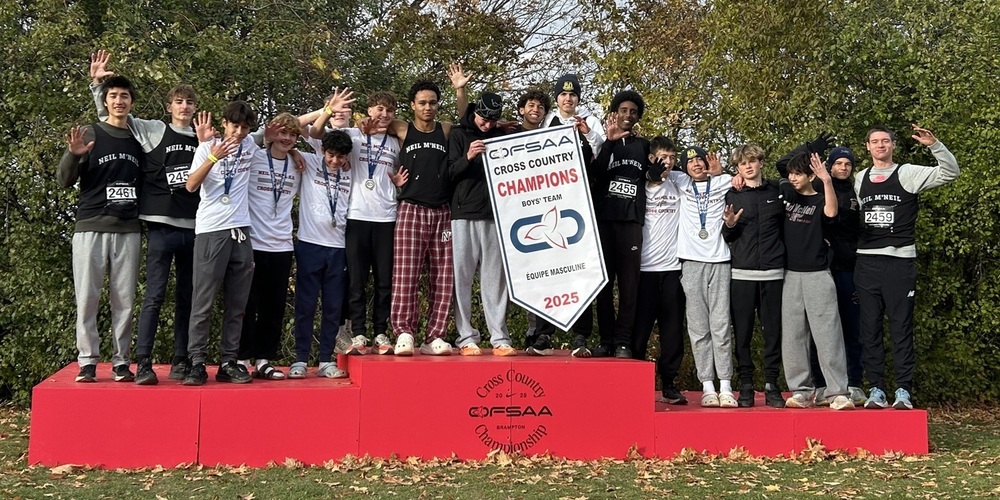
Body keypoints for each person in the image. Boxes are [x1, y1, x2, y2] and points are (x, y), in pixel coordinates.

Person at [87, 50, 207, 384]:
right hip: (160, 226)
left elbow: (242, 142)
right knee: (154, 296)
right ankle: (143, 362)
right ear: (170, 106)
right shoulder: (152, 129)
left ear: (196, 108)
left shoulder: (204, 138)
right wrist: (98, 84)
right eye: (179, 101)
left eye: (189, 102)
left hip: (194, 228)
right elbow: (113, 114)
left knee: (187, 298)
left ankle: (182, 360)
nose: (184, 107)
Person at [855, 125, 959, 409]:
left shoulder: (908, 173)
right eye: (875, 141)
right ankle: (876, 389)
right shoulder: (859, 178)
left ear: (893, 145)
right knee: (870, 329)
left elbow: (950, 172)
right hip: (866, 262)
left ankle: (903, 390)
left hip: (900, 262)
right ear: (867, 147)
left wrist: (935, 145)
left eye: (885, 141)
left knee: (901, 328)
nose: (880, 145)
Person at [58, 76, 144, 383]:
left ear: (131, 102)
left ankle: (122, 362)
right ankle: (88, 361)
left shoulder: (139, 139)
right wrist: (73, 155)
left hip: (128, 229)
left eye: (124, 96)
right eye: (113, 96)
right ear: (105, 101)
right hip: (90, 226)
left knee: (125, 301)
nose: (119, 100)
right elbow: (64, 180)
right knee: (88, 297)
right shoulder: (90, 133)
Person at [381, 66, 469, 355]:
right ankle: (404, 331)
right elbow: (371, 121)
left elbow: (465, 119)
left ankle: (435, 335)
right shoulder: (403, 128)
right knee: (406, 274)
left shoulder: (444, 129)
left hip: (442, 211)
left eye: (432, 102)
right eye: (422, 103)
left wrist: (460, 89)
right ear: (412, 105)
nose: (428, 107)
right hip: (411, 209)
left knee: (443, 276)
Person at [310, 91, 401, 356]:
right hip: (357, 216)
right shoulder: (354, 135)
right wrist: (327, 109)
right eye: (379, 109)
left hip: (387, 217)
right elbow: (317, 135)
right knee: (357, 280)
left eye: (389, 111)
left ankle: (381, 332)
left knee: (385, 280)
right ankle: (359, 332)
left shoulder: (396, 142)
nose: (384, 115)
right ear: (369, 110)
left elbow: (400, 171)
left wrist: (397, 184)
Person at [182, 101, 261, 385]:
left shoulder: (251, 145)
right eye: (234, 126)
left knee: (237, 303)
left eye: (244, 127)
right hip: (211, 231)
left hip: (240, 231)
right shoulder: (206, 147)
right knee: (202, 302)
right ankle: (196, 362)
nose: (239, 132)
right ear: (224, 123)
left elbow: (287, 126)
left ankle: (229, 361)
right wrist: (212, 158)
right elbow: (191, 185)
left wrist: (326, 110)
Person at [537, 73, 606, 357]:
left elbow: (602, 151)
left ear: (578, 99)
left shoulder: (590, 122)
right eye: (563, 95)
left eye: (573, 95)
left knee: (581, 272)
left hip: (581, 207)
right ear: (557, 98)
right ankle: (543, 334)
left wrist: (587, 133)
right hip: (551, 205)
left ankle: (581, 336)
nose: (568, 99)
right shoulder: (547, 122)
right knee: (547, 272)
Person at [780, 153, 854, 410]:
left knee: (828, 335)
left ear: (810, 176)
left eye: (798, 174)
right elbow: (778, 167)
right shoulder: (786, 197)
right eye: (790, 174)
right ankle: (801, 391)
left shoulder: (822, 197)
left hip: (818, 274)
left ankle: (837, 393)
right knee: (793, 337)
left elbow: (832, 212)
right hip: (789, 274)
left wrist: (826, 180)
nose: (792, 178)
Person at [590, 90, 657, 358]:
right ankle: (605, 340)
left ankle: (622, 342)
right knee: (604, 284)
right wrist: (608, 142)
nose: (628, 115)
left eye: (633, 112)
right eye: (623, 111)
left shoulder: (644, 145)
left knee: (629, 285)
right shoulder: (605, 143)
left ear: (638, 117)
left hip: (631, 222)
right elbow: (595, 174)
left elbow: (653, 175)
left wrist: (656, 171)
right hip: (605, 221)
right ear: (615, 113)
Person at [449, 91, 516, 356]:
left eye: (492, 121)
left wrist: (500, 130)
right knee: (461, 278)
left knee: (495, 280)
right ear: (475, 111)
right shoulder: (457, 134)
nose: (486, 125)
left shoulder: (500, 135)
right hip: (463, 215)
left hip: (494, 216)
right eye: (483, 119)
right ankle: (466, 336)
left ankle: (499, 337)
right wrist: (467, 157)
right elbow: (449, 172)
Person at [238, 113, 304, 380]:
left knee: (274, 306)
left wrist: (297, 152)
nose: (287, 138)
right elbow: (242, 141)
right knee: (246, 305)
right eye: (283, 133)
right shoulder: (254, 155)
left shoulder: (298, 164)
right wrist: (263, 136)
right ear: (272, 133)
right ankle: (240, 359)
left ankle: (264, 360)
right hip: (253, 242)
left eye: (293, 135)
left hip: (282, 244)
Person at [722, 144, 786, 408]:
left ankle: (772, 385)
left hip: (774, 273)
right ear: (737, 169)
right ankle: (745, 385)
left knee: (773, 333)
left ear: (760, 162)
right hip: (742, 274)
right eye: (741, 164)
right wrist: (730, 225)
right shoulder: (732, 194)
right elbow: (727, 237)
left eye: (751, 161)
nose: (747, 167)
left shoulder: (778, 191)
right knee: (743, 334)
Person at [290, 130, 354, 378]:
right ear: (322, 151)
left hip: (338, 248)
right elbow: (300, 126)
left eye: (340, 157)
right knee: (305, 305)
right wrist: (294, 150)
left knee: (333, 307)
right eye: (331, 155)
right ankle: (300, 359)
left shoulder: (350, 170)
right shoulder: (310, 161)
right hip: (309, 244)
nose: (335, 161)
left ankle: (326, 360)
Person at [674, 146, 735, 407]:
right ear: (684, 167)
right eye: (690, 162)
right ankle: (707, 385)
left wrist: (724, 172)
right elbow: (656, 170)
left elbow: (746, 176)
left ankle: (726, 385)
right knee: (698, 327)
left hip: (720, 260)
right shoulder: (679, 182)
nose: (696, 165)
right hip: (691, 262)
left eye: (699, 160)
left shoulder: (722, 181)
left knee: (720, 326)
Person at [632, 136, 687, 404]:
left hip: (673, 269)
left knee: (673, 332)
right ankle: (634, 384)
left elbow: (710, 183)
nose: (668, 162)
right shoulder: (638, 185)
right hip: (643, 270)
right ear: (652, 158)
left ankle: (669, 383)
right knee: (639, 332)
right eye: (662, 157)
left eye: (672, 157)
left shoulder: (678, 182)